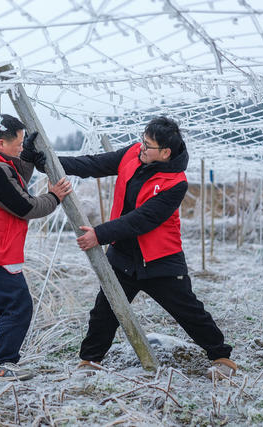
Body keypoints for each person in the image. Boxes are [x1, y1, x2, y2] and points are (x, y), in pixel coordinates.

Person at [25, 116, 236, 379]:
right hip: (123, 254)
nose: (141, 148)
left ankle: (221, 358)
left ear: (166, 152)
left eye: (148, 145)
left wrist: (99, 234)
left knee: (188, 311)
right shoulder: (133, 154)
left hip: (160, 258)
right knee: (105, 309)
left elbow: (143, 219)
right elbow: (93, 164)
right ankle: (90, 362)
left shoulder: (176, 182)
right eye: (142, 141)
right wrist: (47, 162)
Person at [0, 114, 72, 381]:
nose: (21, 147)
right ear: (1, 142)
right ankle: (4, 365)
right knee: (18, 306)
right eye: (18, 144)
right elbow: (24, 206)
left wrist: (27, 158)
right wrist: (55, 197)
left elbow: (12, 183)